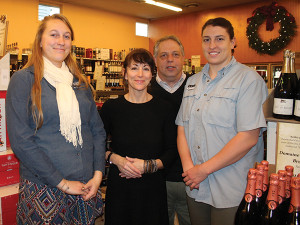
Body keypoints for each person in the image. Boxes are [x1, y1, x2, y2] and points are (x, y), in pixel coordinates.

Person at [6, 14, 106, 224]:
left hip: (85, 188)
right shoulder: (24, 80)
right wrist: (63, 184)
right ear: (40, 41)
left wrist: (98, 175)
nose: (61, 41)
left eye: (66, 36)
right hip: (44, 189)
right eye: (54, 35)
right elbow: (21, 142)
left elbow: (97, 131)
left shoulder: (80, 84)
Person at [175, 17, 268, 225]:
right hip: (196, 186)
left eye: (219, 39)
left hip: (231, 187)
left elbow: (248, 137)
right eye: (206, 40)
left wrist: (203, 170)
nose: (212, 45)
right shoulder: (192, 82)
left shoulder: (249, 80)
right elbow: (182, 127)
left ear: (233, 42)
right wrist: (190, 168)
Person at [100, 48, 177, 225]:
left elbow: (172, 152)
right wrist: (116, 159)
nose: (140, 74)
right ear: (124, 73)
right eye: (134, 68)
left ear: (152, 74)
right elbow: (98, 147)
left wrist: (147, 166)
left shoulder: (165, 109)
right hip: (120, 187)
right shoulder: (111, 108)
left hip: (152, 188)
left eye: (146, 68)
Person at [149, 35, 191, 225]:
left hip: (193, 180)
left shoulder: (197, 87)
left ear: (183, 58)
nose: (170, 60)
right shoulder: (145, 90)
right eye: (164, 55)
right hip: (156, 181)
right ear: (156, 59)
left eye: (175, 54)